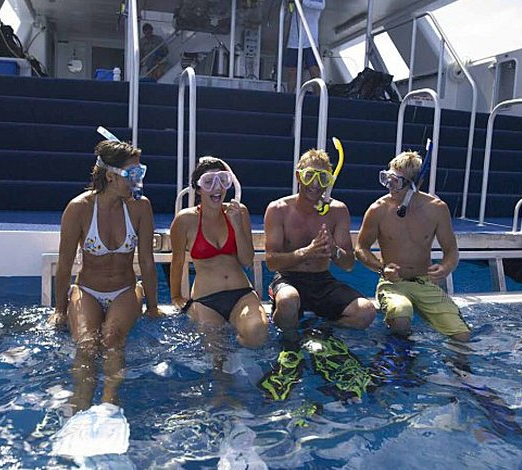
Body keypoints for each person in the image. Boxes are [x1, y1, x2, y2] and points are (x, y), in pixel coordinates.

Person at [49, 139, 159, 412]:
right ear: (110, 176)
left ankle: (110, 402)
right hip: (87, 290)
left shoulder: (140, 207)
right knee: (86, 345)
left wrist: (153, 307)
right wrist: (60, 310)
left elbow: (147, 261)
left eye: (140, 172)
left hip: (125, 290)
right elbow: (65, 265)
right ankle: (80, 402)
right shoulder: (79, 208)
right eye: (132, 173)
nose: (138, 179)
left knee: (112, 338)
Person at [355, 150, 471, 342]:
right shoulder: (378, 209)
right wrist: (382, 268)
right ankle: (401, 358)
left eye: (397, 182)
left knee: (462, 335)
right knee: (401, 314)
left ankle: (457, 363)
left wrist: (445, 268)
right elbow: (361, 248)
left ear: (417, 183)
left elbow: (451, 251)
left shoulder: (437, 209)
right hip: (393, 284)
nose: (390, 187)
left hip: (424, 282)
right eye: (387, 179)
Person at [265, 149, 376, 341]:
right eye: (309, 176)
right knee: (288, 300)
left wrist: (334, 251)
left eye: (322, 178)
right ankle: (290, 345)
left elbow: (348, 264)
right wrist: (305, 253)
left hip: (322, 280)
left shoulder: (338, 211)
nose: (315, 184)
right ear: (298, 176)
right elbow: (271, 262)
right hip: (288, 278)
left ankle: (319, 332)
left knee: (366, 312)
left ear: (329, 182)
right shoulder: (278, 209)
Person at [170, 156, 269, 348]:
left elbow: (247, 260)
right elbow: (177, 261)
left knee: (257, 334)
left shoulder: (239, 212)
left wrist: (237, 225)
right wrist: (176, 297)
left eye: (222, 180)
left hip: (241, 294)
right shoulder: (185, 220)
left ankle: (242, 361)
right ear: (198, 188)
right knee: (216, 354)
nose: (217, 188)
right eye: (209, 182)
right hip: (206, 300)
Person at [285, 0, 325, 93]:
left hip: (310, 40)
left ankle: (318, 98)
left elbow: (321, 5)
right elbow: (288, 15)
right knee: (292, 71)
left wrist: (302, 1)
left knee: (314, 71)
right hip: (294, 40)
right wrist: (289, 5)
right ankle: (289, 97)